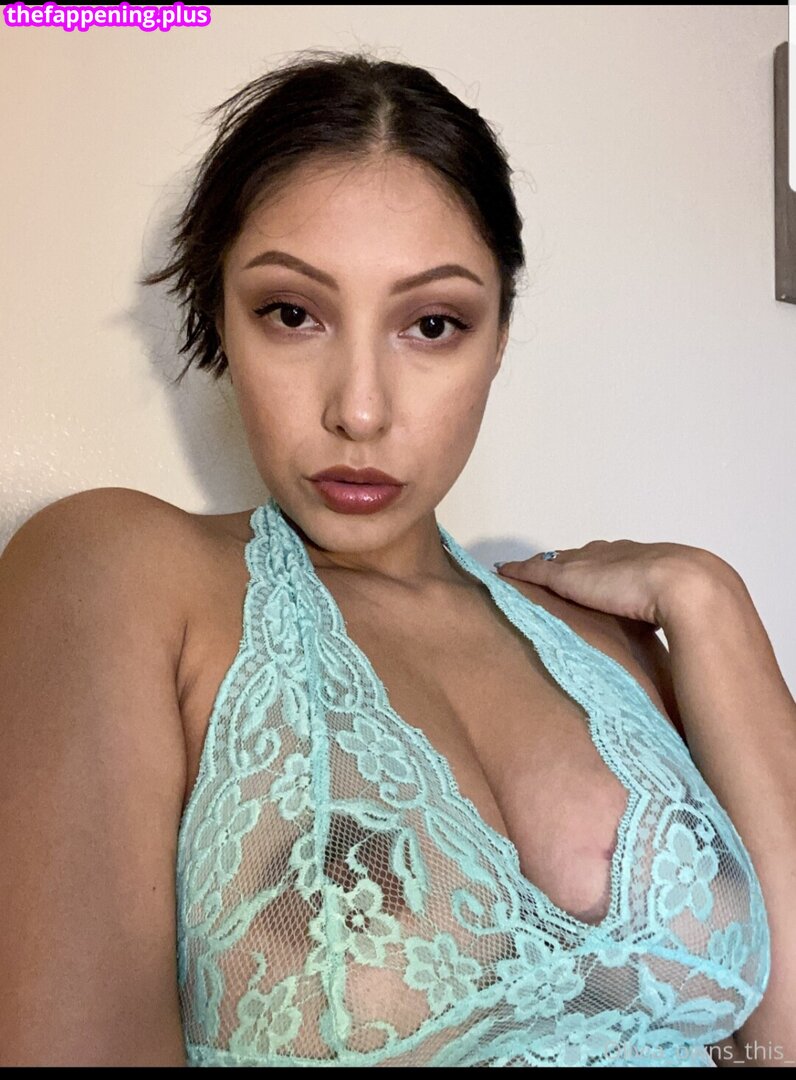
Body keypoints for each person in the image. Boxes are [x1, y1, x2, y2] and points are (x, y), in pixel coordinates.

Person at [1, 48, 790, 1067]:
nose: (361, 410)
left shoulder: (615, 647)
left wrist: (710, 600)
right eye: (292, 314)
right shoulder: (118, 574)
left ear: (497, 337)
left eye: (431, 324)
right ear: (220, 320)